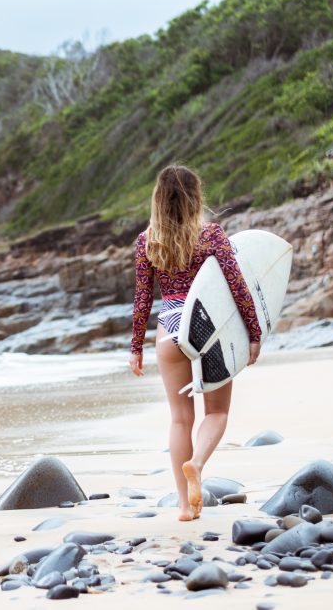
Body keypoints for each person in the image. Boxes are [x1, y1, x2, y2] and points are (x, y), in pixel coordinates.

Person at [128, 164, 261, 522]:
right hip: (208, 327)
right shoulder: (211, 235)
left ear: (158, 199)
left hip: (171, 329)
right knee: (216, 413)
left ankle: (185, 507)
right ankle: (197, 463)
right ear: (195, 196)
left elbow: (143, 298)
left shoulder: (147, 241)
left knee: (180, 420)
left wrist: (136, 347)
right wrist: (253, 333)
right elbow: (237, 286)